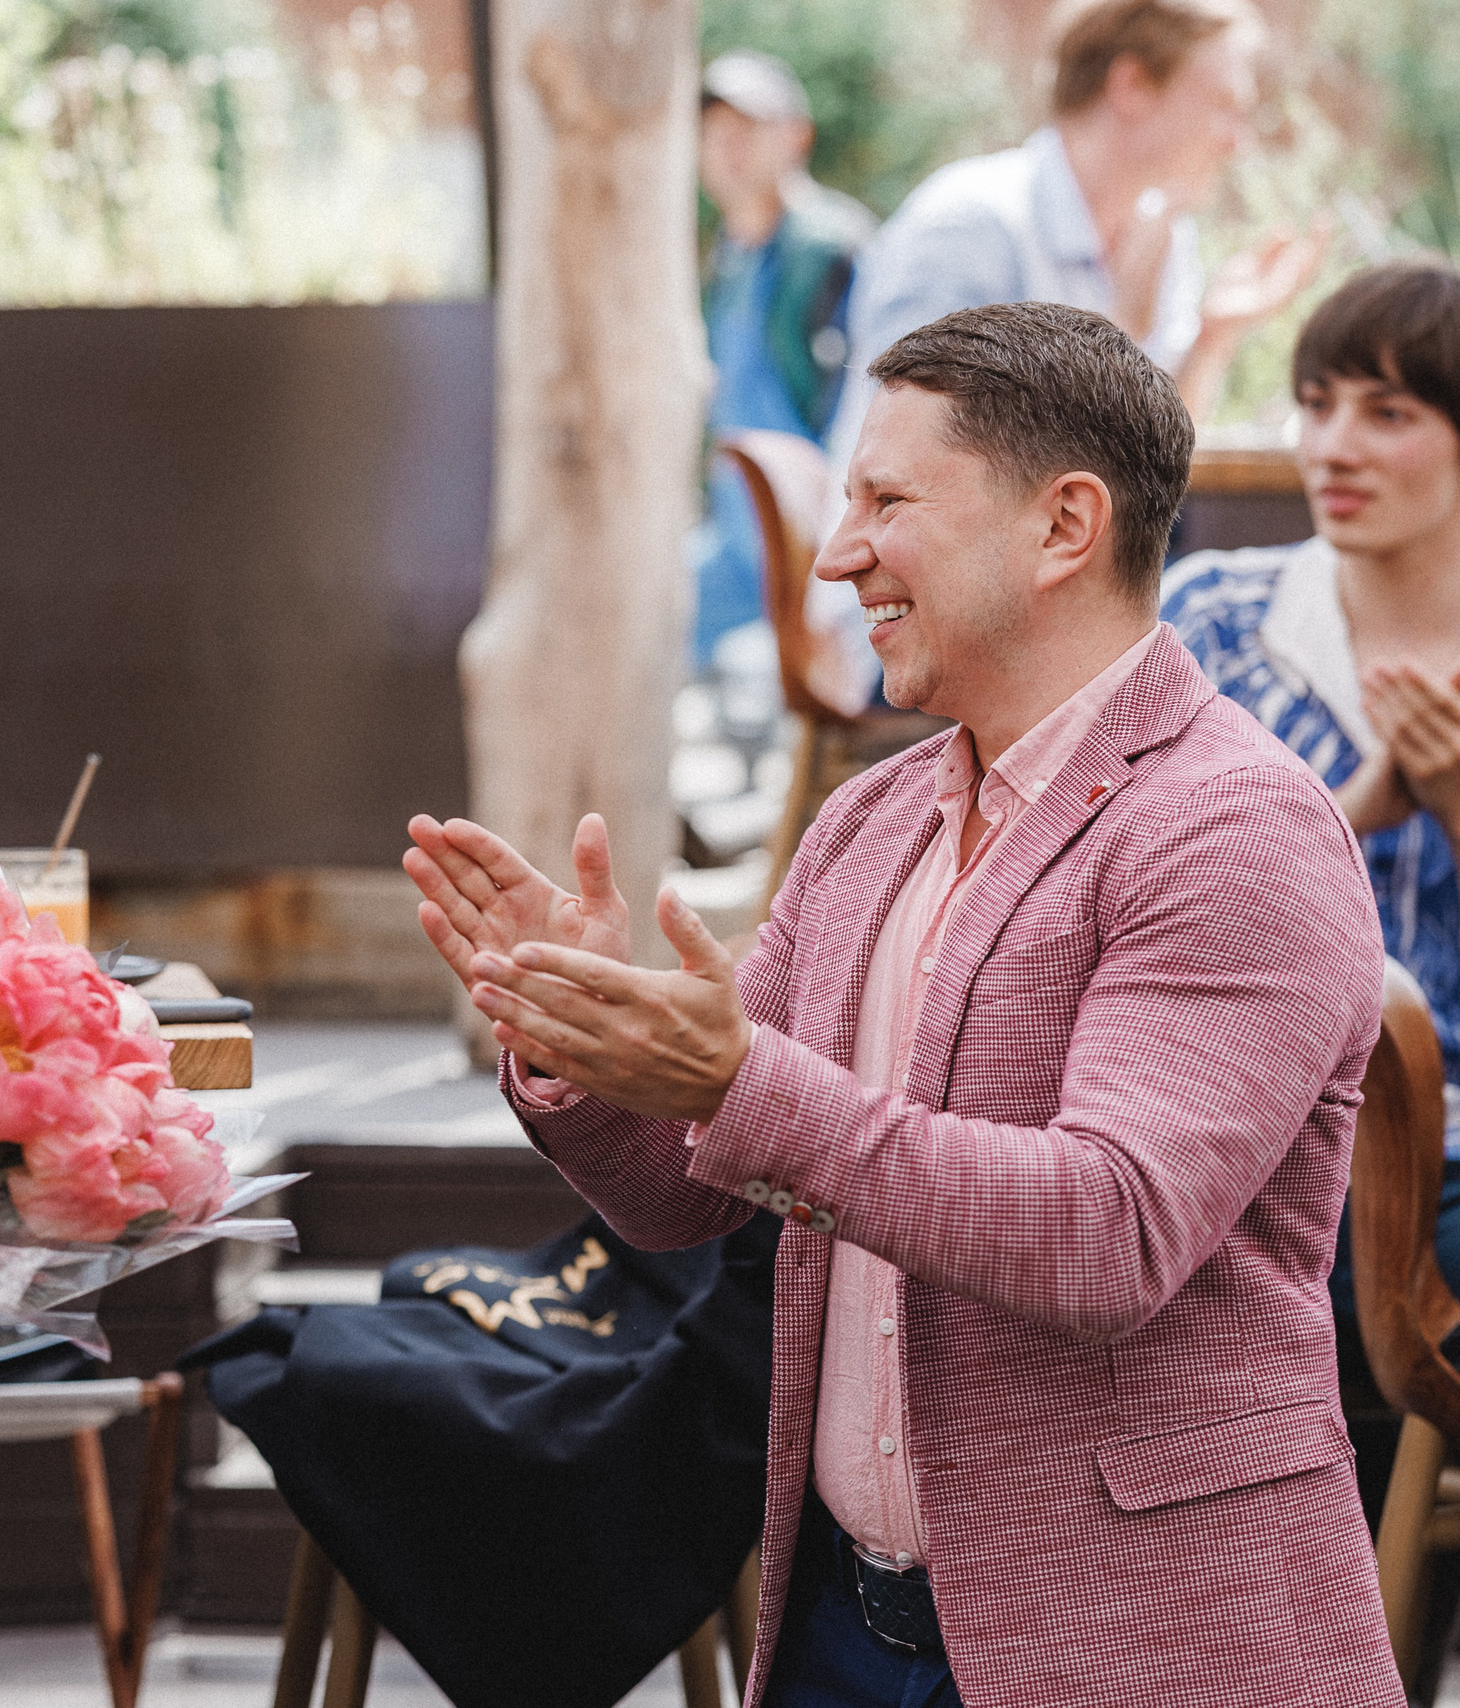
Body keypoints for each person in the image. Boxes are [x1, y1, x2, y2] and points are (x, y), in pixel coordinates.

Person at [407, 302, 1399, 1706]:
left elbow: (1106, 1234)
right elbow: (681, 1196)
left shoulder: (1235, 827)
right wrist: (580, 1038)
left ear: (1065, 526)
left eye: (887, 502)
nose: (836, 554)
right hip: (839, 1630)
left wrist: (734, 1080)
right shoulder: (870, 822)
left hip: (1141, 1646)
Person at [1164, 263, 1460, 1324]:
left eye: (1388, 413)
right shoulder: (1210, 618)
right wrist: (1349, 810)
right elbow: (1117, 881)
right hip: (1222, 1133)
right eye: (1317, 404)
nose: (1333, 447)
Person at [831, 0, 1320, 452]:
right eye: (1222, 105)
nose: (1237, 142)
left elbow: (1148, 460)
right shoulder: (971, 226)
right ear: (1131, 85)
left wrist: (1213, 337)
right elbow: (921, 454)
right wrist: (1117, 330)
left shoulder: (1163, 235)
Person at [693, 51, 875, 665]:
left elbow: (868, 408)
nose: (726, 147)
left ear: (797, 136)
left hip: (816, 546)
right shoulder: (728, 256)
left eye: (745, 129)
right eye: (713, 131)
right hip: (738, 538)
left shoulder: (831, 247)